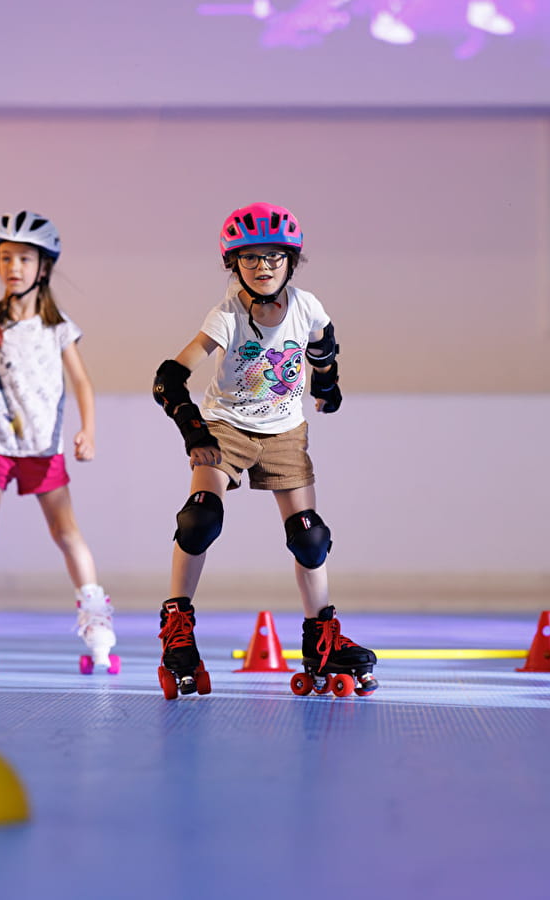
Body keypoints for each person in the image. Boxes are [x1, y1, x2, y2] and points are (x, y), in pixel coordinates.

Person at [150, 202, 377, 699]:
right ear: (234, 265)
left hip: (284, 432)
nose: (263, 267)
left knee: (310, 536)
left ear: (291, 261)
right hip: (226, 427)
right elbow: (169, 377)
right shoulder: (226, 316)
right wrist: (194, 432)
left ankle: (322, 639)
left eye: (274, 257)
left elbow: (323, 344)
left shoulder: (308, 305)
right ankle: (177, 633)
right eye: (249, 259)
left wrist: (328, 384)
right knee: (200, 519)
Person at [0, 210, 117, 675]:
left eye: (24, 258)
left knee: (65, 532)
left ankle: (97, 623)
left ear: (44, 266)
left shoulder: (57, 327)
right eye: (4, 257)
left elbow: (82, 382)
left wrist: (88, 429)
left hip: (43, 445)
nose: (13, 266)